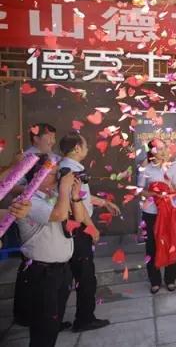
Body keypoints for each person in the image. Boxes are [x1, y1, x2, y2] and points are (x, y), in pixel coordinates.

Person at [13, 156, 87, 347]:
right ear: (38, 175)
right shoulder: (27, 200)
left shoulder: (54, 196)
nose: (57, 178)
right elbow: (59, 215)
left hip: (61, 270)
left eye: (57, 173)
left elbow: (78, 219)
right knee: (43, 327)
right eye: (54, 173)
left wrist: (74, 194)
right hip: (42, 272)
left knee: (53, 323)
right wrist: (64, 188)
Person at [59, 132, 120, 332]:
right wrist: (91, 227)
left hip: (74, 227)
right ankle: (84, 319)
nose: (87, 148)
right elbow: (75, 204)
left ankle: (55, 319)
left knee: (68, 276)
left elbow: (83, 196)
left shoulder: (67, 168)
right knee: (85, 277)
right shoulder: (71, 171)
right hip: (78, 228)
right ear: (77, 148)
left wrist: (104, 202)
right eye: (85, 145)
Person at [137, 139, 176, 294]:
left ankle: (170, 279)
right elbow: (139, 191)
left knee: (170, 243)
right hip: (151, 213)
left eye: (164, 148)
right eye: (159, 149)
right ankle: (155, 281)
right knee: (151, 247)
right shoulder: (145, 169)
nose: (163, 152)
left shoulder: (171, 168)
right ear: (152, 152)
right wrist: (153, 194)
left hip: (168, 213)